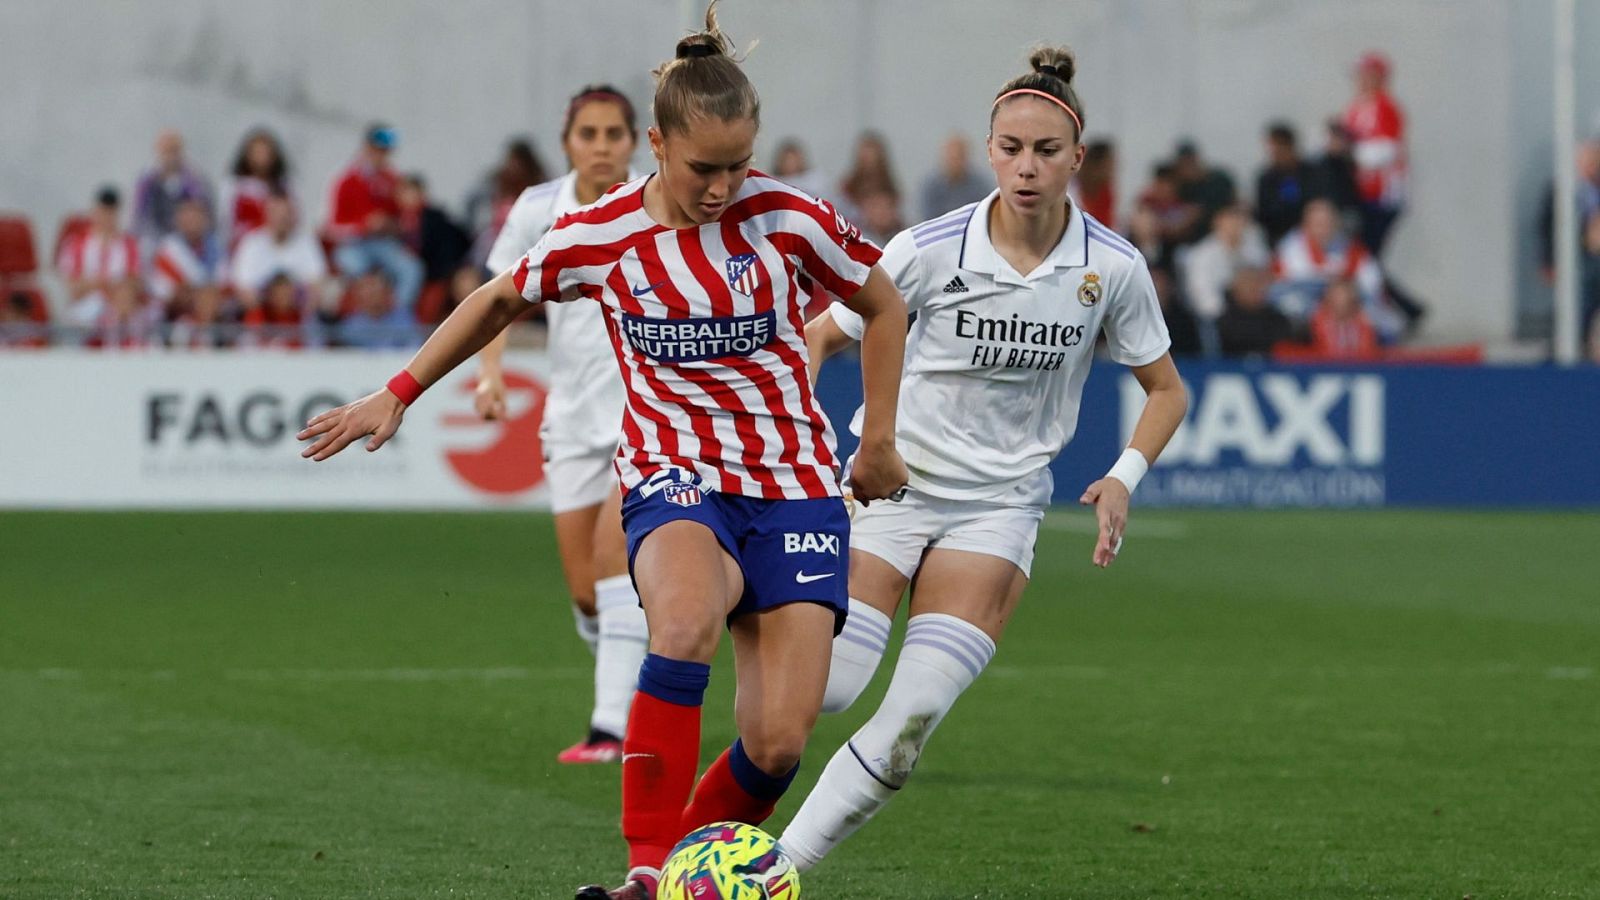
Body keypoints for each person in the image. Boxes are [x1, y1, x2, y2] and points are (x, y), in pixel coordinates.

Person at [296, 6, 909, 898]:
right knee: (685, 622)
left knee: (778, 741)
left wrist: (879, 437)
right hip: (673, 472)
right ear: (656, 145)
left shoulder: (788, 215)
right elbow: (500, 301)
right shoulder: (600, 233)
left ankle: (682, 877)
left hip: (794, 485)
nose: (724, 187)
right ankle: (647, 875)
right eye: (705, 167)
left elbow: (884, 301)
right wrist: (398, 393)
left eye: (740, 164)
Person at [778, 45, 1187, 874]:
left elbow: (1168, 390)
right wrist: (805, 438)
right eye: (1010, 148)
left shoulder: (1111, 267)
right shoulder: (926, 248)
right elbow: (824, 334)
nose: (1026, 167)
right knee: (825, 690)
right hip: (892, 487)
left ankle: (776, 869)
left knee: (911, 721)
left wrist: (1122, 476)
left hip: (999, 507)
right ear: (989, 147)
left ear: (1078, 156)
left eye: (1045, 151)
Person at [477, 84, 648, 766]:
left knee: (614, 560)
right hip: (572, 420)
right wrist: (489, 375)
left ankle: (612, 728)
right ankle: (637, 678)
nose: (603, 146)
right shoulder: (538, 210)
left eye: (614, 133)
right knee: (587, 593)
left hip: (648, 418)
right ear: (567, 142)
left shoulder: (655, 203)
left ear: (635, 141)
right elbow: (496, 300)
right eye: (590, 134)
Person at [327, 123, 424, 311]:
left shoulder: (393, 180)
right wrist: (364, 226)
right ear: (367, 148)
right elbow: (333, 227)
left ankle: (396, 319)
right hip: (354, 244)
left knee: (411, 269)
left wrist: (389, 225)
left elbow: (405, 224)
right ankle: (359, 322)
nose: (380, 155)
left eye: (384, 151)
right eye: (377, 150)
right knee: (354, 267)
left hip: (384, 243)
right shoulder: (346, 181)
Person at [1180, 202, 1269, 355]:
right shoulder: (1202, 254)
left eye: (1240, 218)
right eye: (1230, 218)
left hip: (1254, 313)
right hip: (1221, 317)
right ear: (1218, 221)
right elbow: (1202, 299)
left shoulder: (1254, 249)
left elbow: (1266, 282)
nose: (1236, 224)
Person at [56, 186, 142, 330]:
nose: (107, 217)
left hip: (117, 311)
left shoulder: (130, 246)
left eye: (111, 213)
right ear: (94, 212)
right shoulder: (75, 244)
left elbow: (132, 285)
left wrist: (95, 284)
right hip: (83, 311)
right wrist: (106, 284)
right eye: (103, 212)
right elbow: (73, 288)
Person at [231, 188, 329, 313]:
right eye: (276, 212)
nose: (282, 218)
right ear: (267, 213)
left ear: (294, 214)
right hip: (263, 318)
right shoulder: (251, 243)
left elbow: (317, 287)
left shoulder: (306, 242)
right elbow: (243, 290)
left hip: (299, 318)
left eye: (286, 213)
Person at [149, 197, 228, 346]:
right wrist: (194, 295)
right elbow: (163, 291)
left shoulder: (217, 246)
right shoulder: (168, 248)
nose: (191, 220)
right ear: (178, 219)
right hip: (178, 315)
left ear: (205, 218)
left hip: (211, 315)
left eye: (196, 214)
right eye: (186, 214)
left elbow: (222, 284)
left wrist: (204, 296)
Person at [132, 129, 214, 249]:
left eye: (174, 150)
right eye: (165, 151)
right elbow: (139, 216)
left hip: (188, 242)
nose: (170, 156)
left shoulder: (196, 181)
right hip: (156, 240)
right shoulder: (147, 182)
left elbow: (206, 212)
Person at [223, 128, 291, 250]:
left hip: (277, 246)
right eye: (257, 152)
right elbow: (226, 222)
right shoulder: (235, 186)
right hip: (243, 247)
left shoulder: (286, 187)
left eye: (265, 152)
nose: (261, 158)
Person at [1255, 122, 1314, 247]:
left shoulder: (1311, 172)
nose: (1273, 152)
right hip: (1279, 238)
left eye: (1277, 148)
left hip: (1312, 235)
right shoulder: (1266, 179)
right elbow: (1264, 214)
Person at [1217, 266, 1293, 358]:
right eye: (1247, 284)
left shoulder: (1278, 320)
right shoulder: (1221, 323)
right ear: (1235, 289)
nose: (1254, 288)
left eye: (1258, 283)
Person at [919, 133, 989, 221]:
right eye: (952, 157)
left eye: (959, 157)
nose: (955, 162)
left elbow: (985, 213)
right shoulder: (931, 187)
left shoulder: (980, 185)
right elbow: (927, 217)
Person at [1307, 277, 1378, 360]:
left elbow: (1367, 353)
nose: (1339, 299)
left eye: (1343, 294)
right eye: (1336, 294)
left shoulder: (1364, 322)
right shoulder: (1314, 323)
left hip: (1356, 367)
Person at [1071, 138, 1116, 229]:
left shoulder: (1105, 192)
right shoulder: (1069, 192)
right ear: (1094, 166)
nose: (1111, 172)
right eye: (1107, 167)